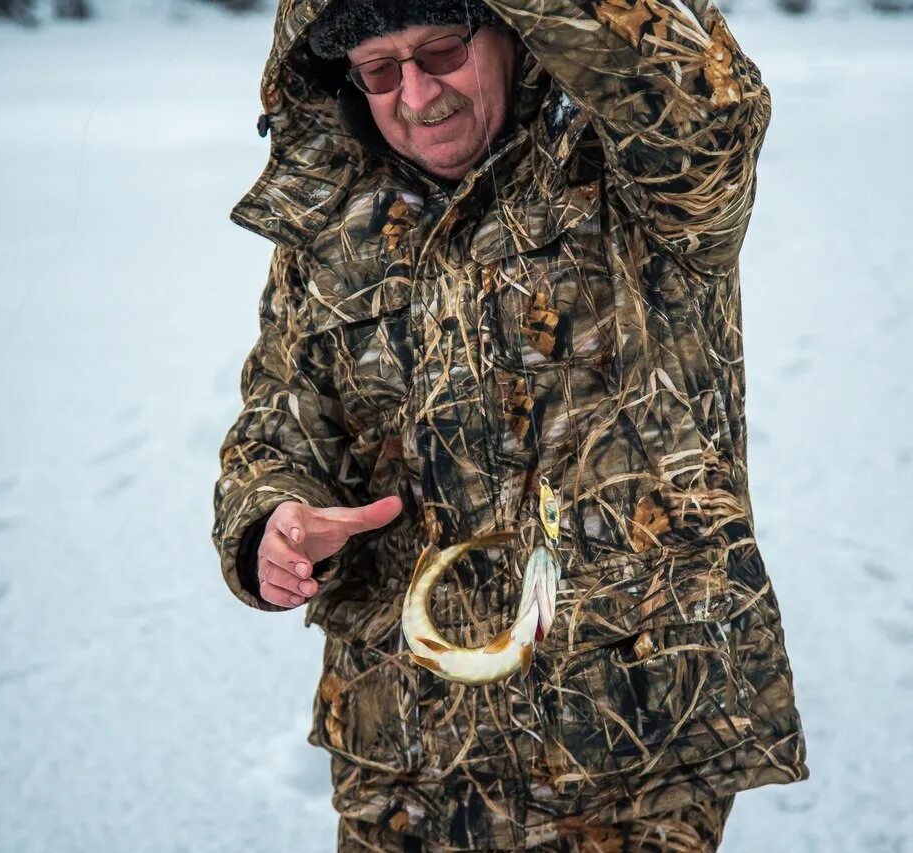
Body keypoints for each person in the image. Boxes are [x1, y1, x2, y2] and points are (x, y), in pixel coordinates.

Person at [212, 0, 810, 848]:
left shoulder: (635, 175)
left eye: (442, 51)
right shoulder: (331, 223)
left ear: (513, 32)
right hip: (400, 751)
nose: (418, 95)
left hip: (622, 747)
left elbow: (709, 103)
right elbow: (280, 419)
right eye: (380, 72)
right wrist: (271, 520)